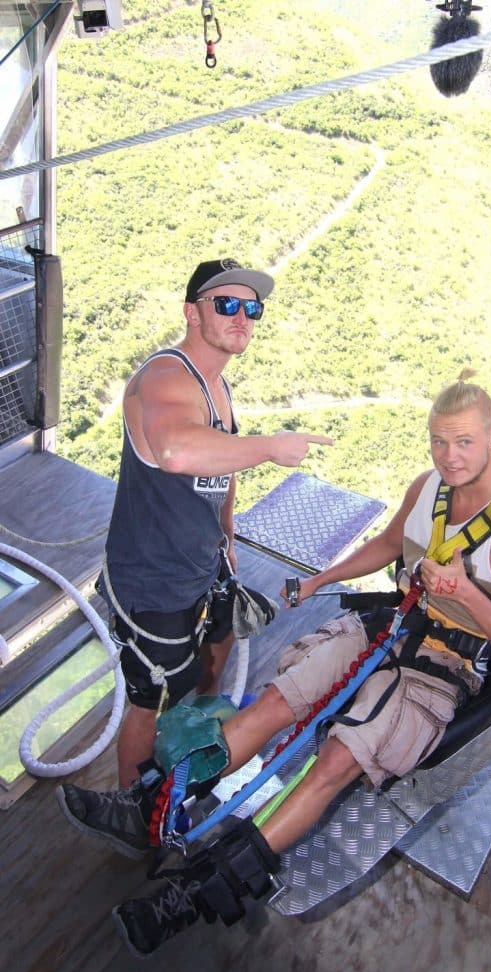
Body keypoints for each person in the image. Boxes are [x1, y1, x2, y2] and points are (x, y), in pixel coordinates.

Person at [58, 381, 491, 957]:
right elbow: (390, 544)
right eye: (439, 442)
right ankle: (150, 804)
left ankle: (194, 894)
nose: (449, 456)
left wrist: (467, 594)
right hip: (390, 626)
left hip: (446, 664)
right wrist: (322, 579)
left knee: (337, 759)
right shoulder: (430, 489)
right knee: (278, 701)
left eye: (464, 442)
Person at [97, 257, 333, 786]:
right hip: (154, 578)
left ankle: (196, 734)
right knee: (150, 700)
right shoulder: (164, 376)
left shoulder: (216, 386)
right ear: (192, 312)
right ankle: (132, 805)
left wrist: (227, 537)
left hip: (204, 562)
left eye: (252, 308)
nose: (241, 317)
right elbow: (177, 451)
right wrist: (270, 447)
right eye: (226, 304)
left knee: (217, 644)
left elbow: (220, 467)